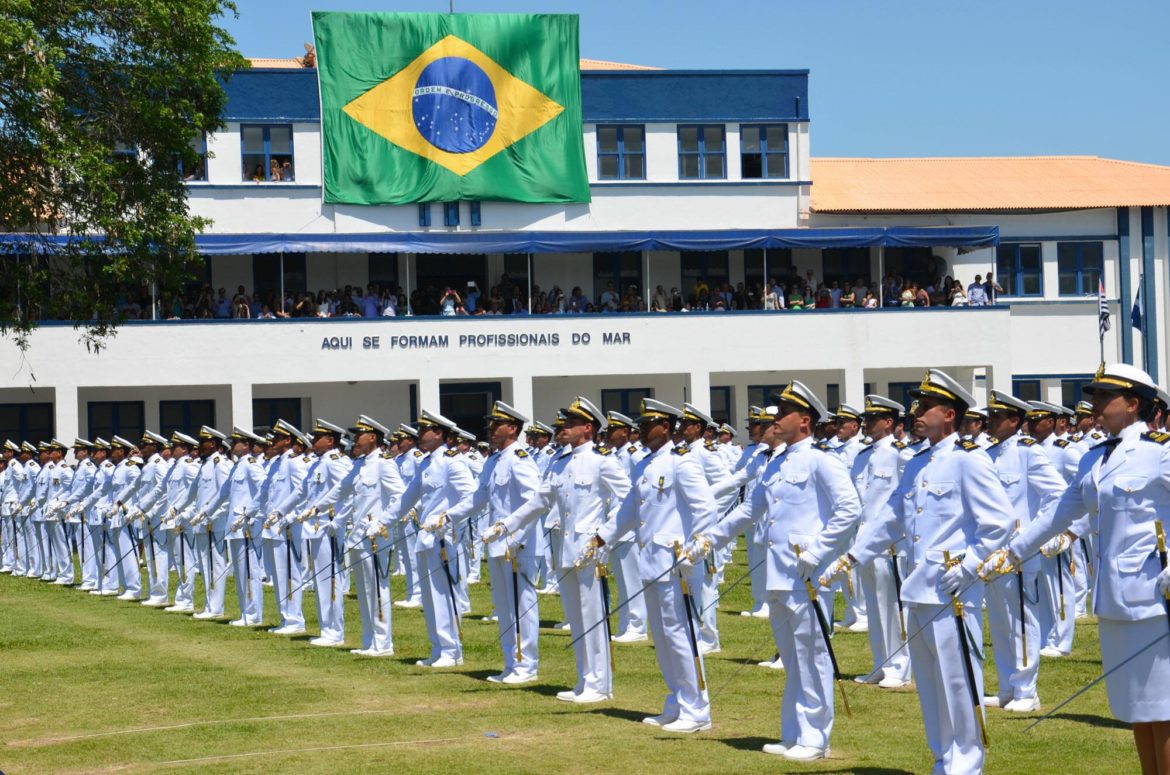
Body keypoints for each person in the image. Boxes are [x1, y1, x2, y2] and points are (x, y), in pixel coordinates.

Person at [981, 363, 1170, 775]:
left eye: (1105, 397)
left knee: (1166, 710)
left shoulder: (1160, 452)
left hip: (1156, 601)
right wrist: (1011, 553)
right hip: (1115, 601)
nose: (1095, 405)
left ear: (1133, 404)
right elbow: (1058, 514)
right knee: (1137, 710)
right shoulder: (1095, 458)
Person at [825, 369, 1014, 774]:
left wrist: (969, 566)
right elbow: (891, 519)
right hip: (918, 587)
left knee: (959, 681)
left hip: (952, 590)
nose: (917, 413)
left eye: (926, 407)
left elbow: (998, 522)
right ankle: (943, 757)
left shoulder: (968, 461)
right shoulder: (917, 463)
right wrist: (854, 555)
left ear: (949, 414)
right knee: (930, 685)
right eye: (918, 406)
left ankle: (967, 763)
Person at [688, 382, 862, 760]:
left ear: (805, 420)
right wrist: (710, 539)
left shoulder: (821, 460)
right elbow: (751, 510)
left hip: (806, 574)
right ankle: (794, 733)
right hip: (780, 575)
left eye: (783, 413)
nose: (775, 419)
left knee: (812, 658)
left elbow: (850, 509)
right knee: (792, 657)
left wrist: (818, 551)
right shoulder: (777, 462)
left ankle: (816, 737)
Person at [581, 399, 716, 732]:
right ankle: (676, 700)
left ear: (666, 428)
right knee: (662, 636)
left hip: (676, 564)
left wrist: (695, 549)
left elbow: (706, 510)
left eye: (647, 424)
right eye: (639, 424)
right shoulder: (644, 465)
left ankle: (697, 709)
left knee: (681, 636)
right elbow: (629, 511)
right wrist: (601, 538)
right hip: (651, 563)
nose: (640, 429)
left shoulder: (681, 463)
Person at [492, 398, 630, 702]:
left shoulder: (602, 460)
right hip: (566, 549)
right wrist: (507, 525)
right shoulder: (560, 462)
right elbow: (540, 501)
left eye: (569, 424)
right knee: (577, 617)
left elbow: (629, 501)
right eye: (564, 424)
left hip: (589, 550)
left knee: (593, 617)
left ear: (587, 428)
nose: (563, 429)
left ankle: (599, 684)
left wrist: (604, 537)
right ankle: (584, 680)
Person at [981, 391, 1066, 713]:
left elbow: (1056, 495)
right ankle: (1008, 687)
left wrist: (1031, 535)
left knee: (1021, 622)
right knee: (1001, 624)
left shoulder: (1028, 453)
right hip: (993, 552)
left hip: (1018, 553)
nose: (990, 421)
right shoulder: (988, 453)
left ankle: (1027, 692)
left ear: (1015, 421)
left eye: (997, 417)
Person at [448, 402, 542, 683]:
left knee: (521, 606)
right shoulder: (493, 460)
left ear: (512, 428)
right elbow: (479, 497)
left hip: (518, 545)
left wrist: (516, 537)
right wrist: (449, 516)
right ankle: (511, 662)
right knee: (504, 606)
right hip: (498, 544)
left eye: (496, 425)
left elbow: (534, 501)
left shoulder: (520, 458)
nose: (490, 429)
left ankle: (527, 665)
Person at [397, 410, 477, 668]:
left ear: (439, 433)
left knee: (444, 595)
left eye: (424, 430)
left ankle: (453, 651)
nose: (419, 435)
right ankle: (438, 648)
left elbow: (471, 498)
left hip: (444, 538)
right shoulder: (426, 463)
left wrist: (447, 518)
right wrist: (383, 521)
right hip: (426, 537)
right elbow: (407, 498)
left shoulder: (452, 462)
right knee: (431, 598)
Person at [848, 396, 913, 688]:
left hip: (890, 544)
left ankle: (900, 666)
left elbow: (908, 498)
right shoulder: (863, 456)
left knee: (895, 607)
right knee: (874, 607)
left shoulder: (901, 453)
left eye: (873, 419)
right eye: (866, 419)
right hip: (863, 542)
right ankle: (881, 663)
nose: (867, 424)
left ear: (888, 422)